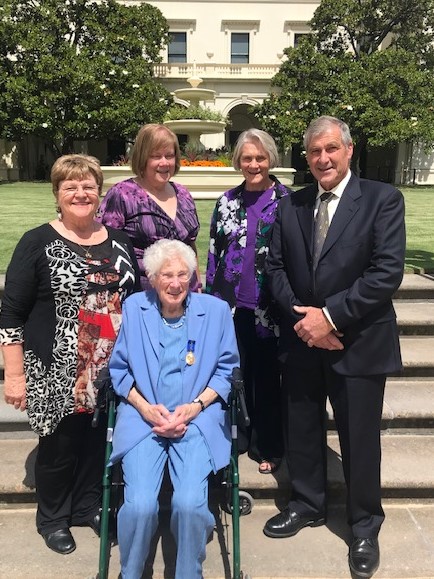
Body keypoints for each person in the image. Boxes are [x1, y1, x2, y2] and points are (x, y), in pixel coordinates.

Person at [263, 116, 405, 578]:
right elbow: (275, 269)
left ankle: (364, 524)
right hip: (304, 340)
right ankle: (307, 503)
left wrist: (331, 317)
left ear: (348, 150)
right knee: (301, 429)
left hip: (358, 341)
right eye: (313, 152)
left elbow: (385, 273)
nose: (322, 158)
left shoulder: (383, 200)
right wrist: (307, 320)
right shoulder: (292, 205)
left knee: (360, 440)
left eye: (330, 149)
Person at [0, 154, 140, 555]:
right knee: (59, 448)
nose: (81, 193)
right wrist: (14, 375)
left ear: (100, 192)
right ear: (57, 194)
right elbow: (11, 313)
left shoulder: (119, 240)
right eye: (70, 187)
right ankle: (54, 518)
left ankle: (88, 507)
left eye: (88, 186)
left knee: (99, 444)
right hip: (55, 369)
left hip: (108, 368)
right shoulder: (37, 240)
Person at [108, 238, 239, 579]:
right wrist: (145, 407)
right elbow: (119, 371)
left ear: (193, 277)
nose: (176, 283)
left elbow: (227, 371)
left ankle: (188, 573)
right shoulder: (136, 308)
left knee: (189, 504)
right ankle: (131, 572)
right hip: (143, 420)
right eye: (167, 275)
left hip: (196, 420)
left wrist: (196, 406)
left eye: (183, 274)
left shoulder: (216, 312)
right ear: (152, 278)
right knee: (139, 506)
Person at [206, 128, 289, 474]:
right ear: (238, 161)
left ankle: (266, 445)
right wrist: (212, 302)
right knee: (234, 374)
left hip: (271, 307)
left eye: (260, 157)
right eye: (247, 158)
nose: (253, 164)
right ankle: (235, 439)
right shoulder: (226, 201)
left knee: (267, 378)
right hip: (232, 306)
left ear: (270, 159)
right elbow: (214, 252)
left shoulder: (288, 201)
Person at [97, 123, 202, 291]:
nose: (164, 162)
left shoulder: (183, 193)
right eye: (156, 156)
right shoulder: (122, 194)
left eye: (169, 156)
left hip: (183, 294)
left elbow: (190, 245)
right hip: (141, 295)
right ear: (142, 158)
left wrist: (197, 287)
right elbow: (103, 246)